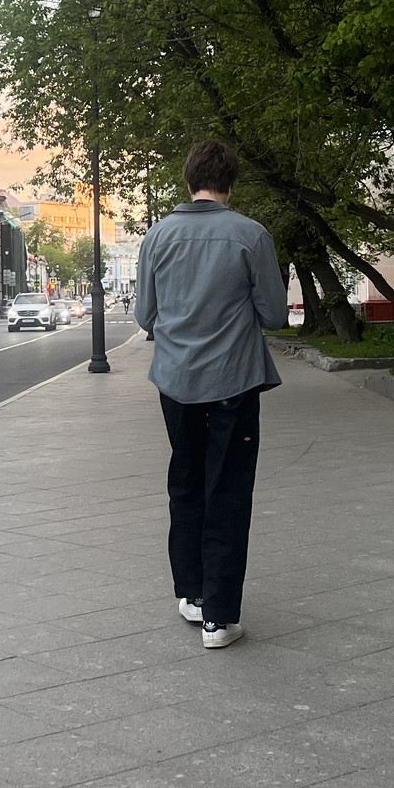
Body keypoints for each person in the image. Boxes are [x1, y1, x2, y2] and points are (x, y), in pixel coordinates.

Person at [134, 141, 285, 649]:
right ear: (230, 184)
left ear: (189, 181)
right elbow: (275, 315)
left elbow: (144, 316)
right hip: (233, 382)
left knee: (186, 482)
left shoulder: (157, 236)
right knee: (228, 489)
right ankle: (219, 618)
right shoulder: (251, 235)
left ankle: (192, 594)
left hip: (175, 382)